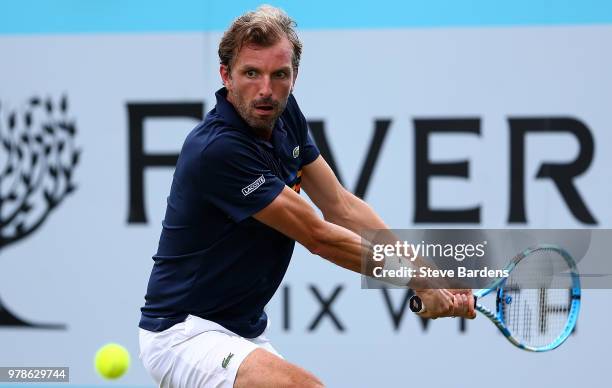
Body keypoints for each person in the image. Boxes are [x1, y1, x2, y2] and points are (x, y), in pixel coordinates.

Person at [138, 5, 475, 388]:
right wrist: (418, 280)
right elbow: (319, 236)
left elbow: (341, 207)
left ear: (294, 77)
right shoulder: (217, 150)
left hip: (242, 333)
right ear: (226, 76)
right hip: (183, 333)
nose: (266, 90)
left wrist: (427, 273)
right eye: (251, 73)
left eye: (279, 75)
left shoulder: (284, 116)